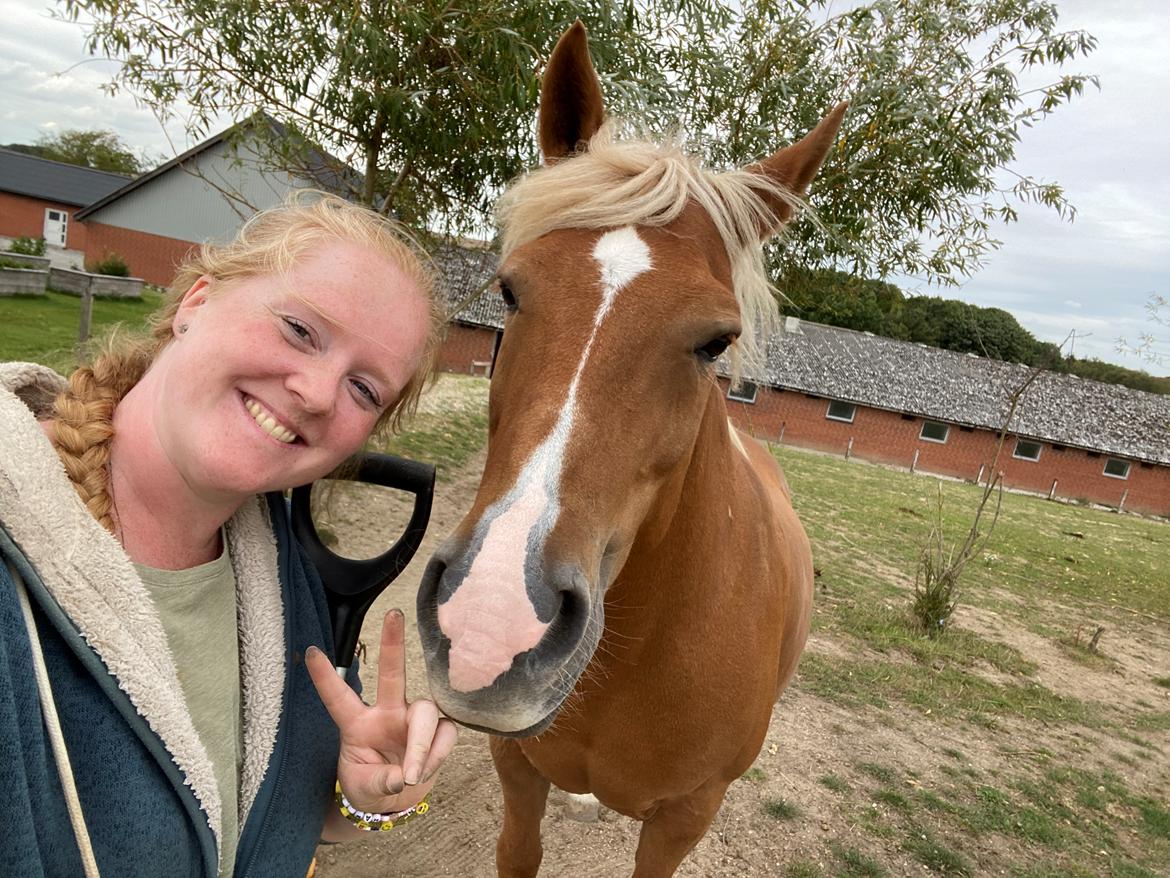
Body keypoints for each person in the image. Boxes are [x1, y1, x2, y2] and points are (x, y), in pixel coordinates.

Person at [0, 191, 458, 877]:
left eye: (364, 389)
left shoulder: (292, 580)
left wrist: (367, 798)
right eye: (301, 330)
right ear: (196, 304)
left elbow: (276, 821)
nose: (316, 392)